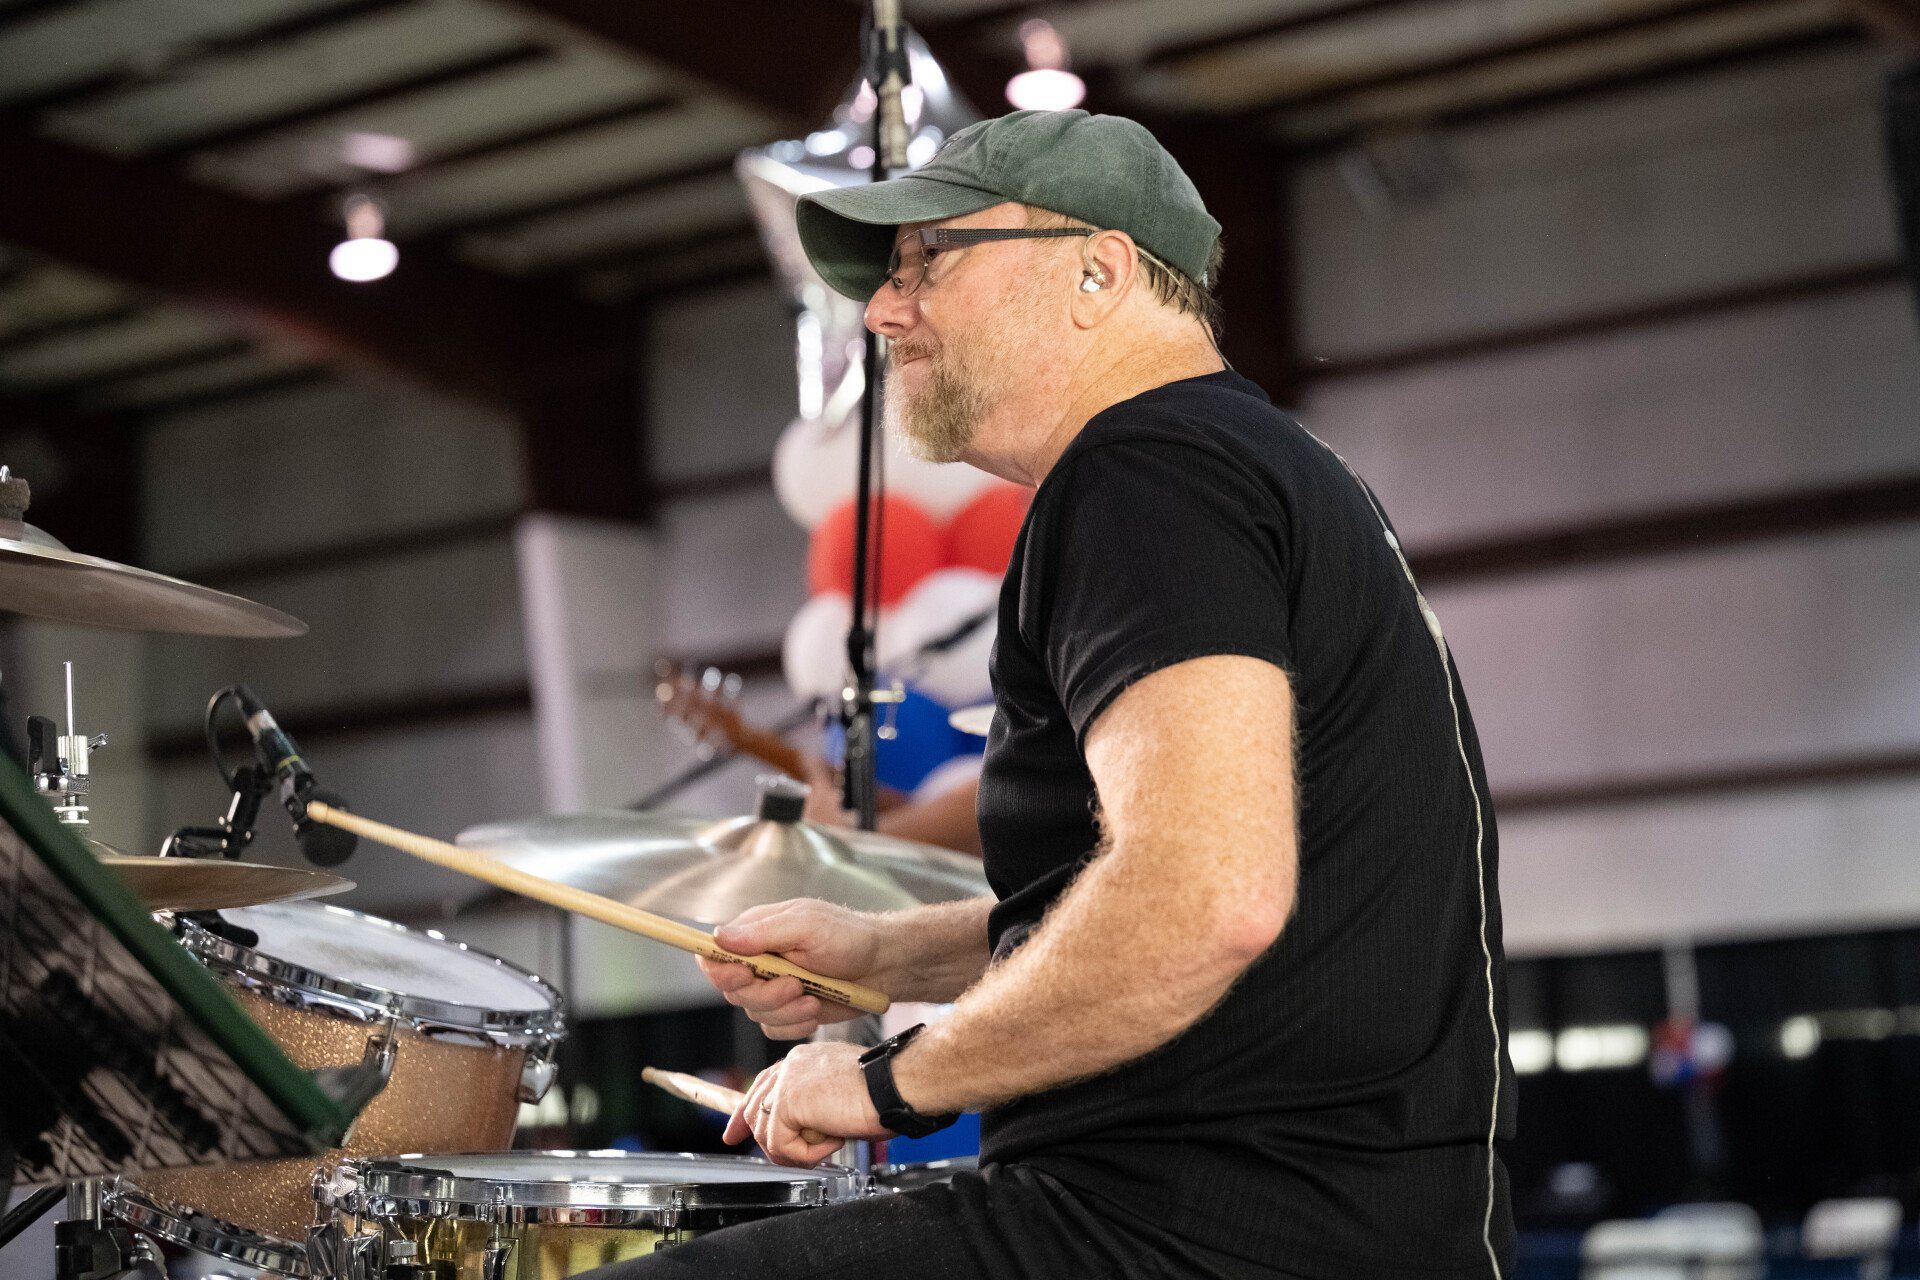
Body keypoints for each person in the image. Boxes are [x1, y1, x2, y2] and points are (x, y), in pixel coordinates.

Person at [590, 109, 1514, 1280]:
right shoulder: (1246, 466)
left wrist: (885, 1081)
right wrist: (886, 957)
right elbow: (1187, 902)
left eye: (932, 260)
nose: (882, 308)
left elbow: (1204, 901)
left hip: (1195, 1229)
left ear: (1098, 270)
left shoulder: (1146, 472)